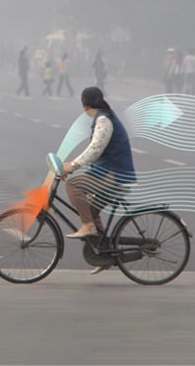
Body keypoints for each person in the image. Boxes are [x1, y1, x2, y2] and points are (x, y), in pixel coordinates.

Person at [62, 86, 136, 265]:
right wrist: (74, 164)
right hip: (112, 172)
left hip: (115, 174)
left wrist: (72, 166)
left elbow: (95, 149)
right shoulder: (104, 116)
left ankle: (87, 226)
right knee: (92, 210)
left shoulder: (103, 119)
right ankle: (104, 255)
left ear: (84, 105)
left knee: (72, 184)